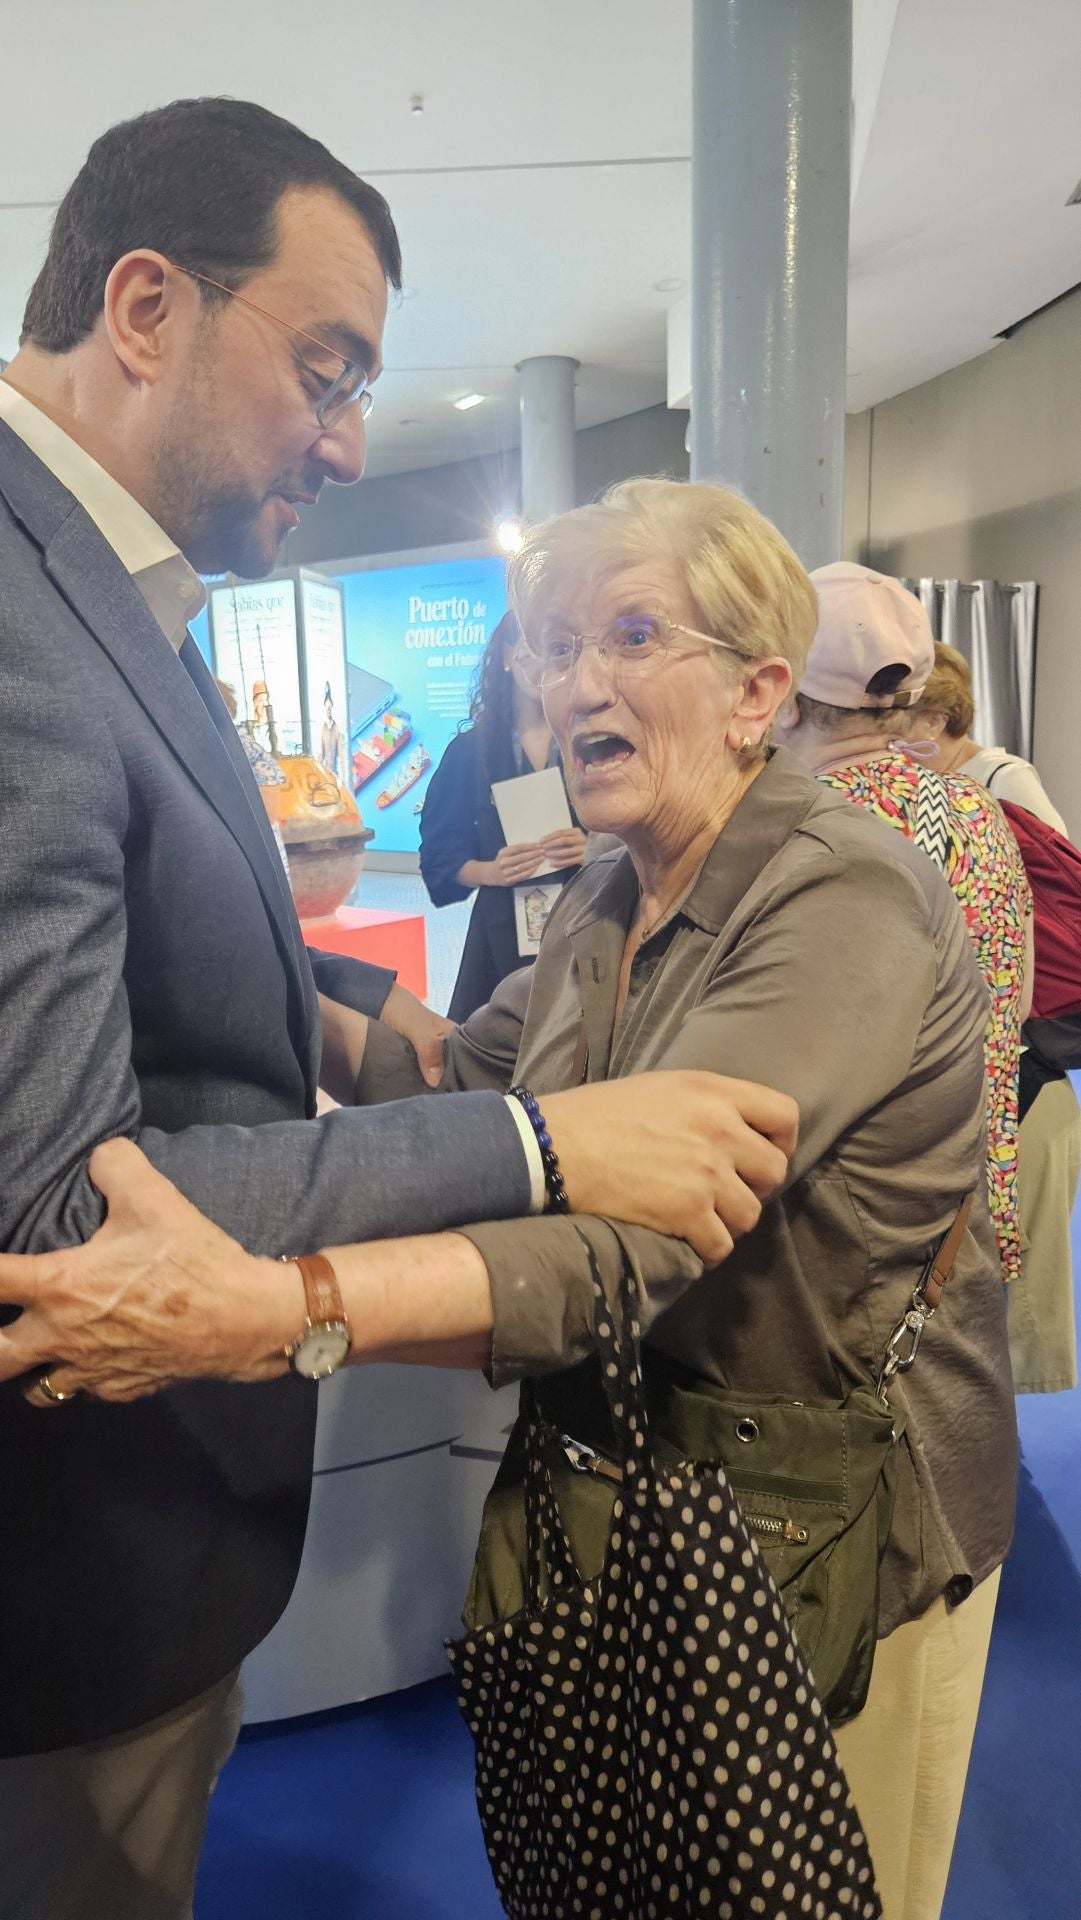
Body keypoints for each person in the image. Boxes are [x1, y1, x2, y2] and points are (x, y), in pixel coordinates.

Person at [1, 480, 1019, 1920]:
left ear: (758, 693)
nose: (572, 683)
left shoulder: (843, 898)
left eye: (630, 636)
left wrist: (273, 1315)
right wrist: (224, 952)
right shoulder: (612, 897)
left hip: (830, 1534)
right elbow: (452, 1078)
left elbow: (630, 1243)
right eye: (551, 646)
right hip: (636, 1511)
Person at [0, 107, 795, 1920]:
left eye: (633, 639)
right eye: (327, 371)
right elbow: (56, 1201)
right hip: (69, 1582)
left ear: (761, 685)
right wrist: (536, 1143)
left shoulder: (108, 592)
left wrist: (362, 1031)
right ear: (145, 308)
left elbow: (166, 958)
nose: (350, 441)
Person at [777, 563, 1034, 1287]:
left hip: (839, 1244)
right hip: (969, 1222)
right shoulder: (979, 810)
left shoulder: (792, 830)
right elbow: (1015, 1001)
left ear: (784, 701)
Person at [906, 643, 1080, 1392]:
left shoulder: (1001, 781)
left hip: (1022, 1047)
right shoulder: (935, 789)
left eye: (907, 718)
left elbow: (1048, 894)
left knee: (1010, 1289)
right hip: (991, 1047)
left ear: (937, 719)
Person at [420, 609, 588, 1019]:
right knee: (498, 1038)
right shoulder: (470, 752)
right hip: (501, 933)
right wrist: (491, 871)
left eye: (555, 651)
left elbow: (637, 831)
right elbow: (440, 856)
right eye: (528, 651)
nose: (540, 666)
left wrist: (594, 847)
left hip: (586, 917)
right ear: (507, 657)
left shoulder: (588, 740)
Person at [904, 641, 1068, 832]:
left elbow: (1053, 851)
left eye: (895, 716)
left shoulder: (1006, 778)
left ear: (934, 721)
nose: (886, 727)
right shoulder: (909, 778)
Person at [318, 679, 350, 788]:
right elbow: (321, 755)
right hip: (325, 773)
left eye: (330, 707)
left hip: (335, 773)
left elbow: (341, 757)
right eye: (327, 708)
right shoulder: (323, 728)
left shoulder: (336, 729)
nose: (328, 710)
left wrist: (341, 778)